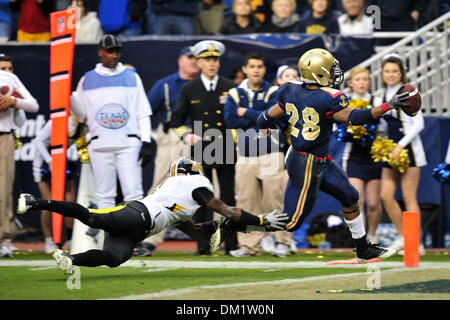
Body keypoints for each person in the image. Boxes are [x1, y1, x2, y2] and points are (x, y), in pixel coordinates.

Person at [256, 48, 411, 262]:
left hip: (317, 158)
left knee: (350, 197)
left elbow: (264, 118)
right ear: (318, 74)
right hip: (306, 162)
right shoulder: (327, 98)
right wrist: (388, 105)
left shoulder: (290, 90)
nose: (334, 73)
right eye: (330, 69)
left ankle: (363, 249)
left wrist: (264, 123)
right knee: (291, 222)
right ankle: (236, 222)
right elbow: (355, 117)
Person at [16, 158, 289, 271]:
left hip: (139, 228)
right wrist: (260, 221)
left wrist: (219, 228)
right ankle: (35, 202)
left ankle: (69, 259)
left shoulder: (182, 202)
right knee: (93, 217)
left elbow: (194, 230)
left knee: (115, 259)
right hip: (136, 214)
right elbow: (225, 208)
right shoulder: (192, 184)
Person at [169, 40, 238, 255]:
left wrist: (234, 136)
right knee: (202, 197)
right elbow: (176, 119)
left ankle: (232, 245)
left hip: (225, 144)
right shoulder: (189, 89)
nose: (212, 63)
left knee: (228, 197)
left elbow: (237, 118)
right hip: (199, 148)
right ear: (199, 62)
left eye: (215, 59)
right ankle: (204, 246)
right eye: (207, 59)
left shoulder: (230, 87)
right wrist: (186, 135)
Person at [70, 34, 152, 211]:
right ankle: (106, 237)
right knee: (105, 194)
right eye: (110, 51)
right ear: (101, 52)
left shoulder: (132, 77)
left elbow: (142, 111)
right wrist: (69, 98)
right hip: (99, 143)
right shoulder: (87, 80)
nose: (114, 55)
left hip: (129, 142)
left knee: (134, 193)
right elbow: (82, 115)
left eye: (117, 51)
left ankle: (134, 235)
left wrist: (146, 140)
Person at [134, 45, 199, 256]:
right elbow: (145, 111)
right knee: (160, 187)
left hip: (202, 136)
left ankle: (212, 238)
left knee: (208, 189)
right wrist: (143, 140)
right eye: (190, 57)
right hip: (172, 137)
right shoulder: (166, 85)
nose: (194, 61)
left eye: (196, 58)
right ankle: (148, 239)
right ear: (180, 60)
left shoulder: (205, 83)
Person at [224, 52, 291, 258]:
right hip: (245, 153)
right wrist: (258, 117)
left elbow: (273, 119)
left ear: (264, 69)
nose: (255, 70)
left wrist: (244, 112)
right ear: (245, 69)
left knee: (273, 199)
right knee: (246, 200)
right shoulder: (235, 93)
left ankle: (282, 241)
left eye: (259, 66)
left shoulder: (274, 91)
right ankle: (249, 245)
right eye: (252, 66)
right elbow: (230, 121)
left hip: (270, 151)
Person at [378, 54, 427, 254]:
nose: (391, 74)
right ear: (382, 73)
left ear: (401, 73)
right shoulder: (379, 94)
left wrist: (400, 145)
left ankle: (416, 243)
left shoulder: (408, 92)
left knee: (409, 197)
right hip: (389, 150)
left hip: (410, 149)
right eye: (387, 71)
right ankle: (404, 237)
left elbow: (419, 123)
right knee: (386, 196)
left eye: (394, 71)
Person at [0, 62, 39, 257]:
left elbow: (32, 106)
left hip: (4, 135)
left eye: (9, 68)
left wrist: (14, 102)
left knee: (3, 190)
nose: (6, 71)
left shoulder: (9, 80)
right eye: (2, 67)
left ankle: (3, 240)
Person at [341, 67, 383, 243]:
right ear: (351, 82)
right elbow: (339, 129)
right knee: (358, 200)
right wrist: (352, 131)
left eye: (365, 79)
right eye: (358, 79)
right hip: (353, 156)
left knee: (373, 203)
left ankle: (373, 235)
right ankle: (362, 241)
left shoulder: (377, 100)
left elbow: (384, 130)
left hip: (373, 156)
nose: (362, 83)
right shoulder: (344, 102)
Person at [32, 115, 84, 253]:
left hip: (62, 162)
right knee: (48, 203)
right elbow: (38, 142)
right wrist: (50, 161)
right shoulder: (58, 121)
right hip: (44, 163)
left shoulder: (84, 125)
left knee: (70, 201)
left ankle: (70, 239)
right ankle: (49, 240)